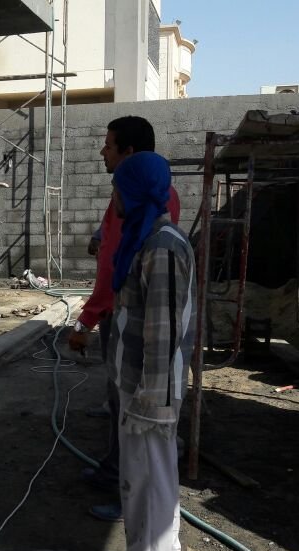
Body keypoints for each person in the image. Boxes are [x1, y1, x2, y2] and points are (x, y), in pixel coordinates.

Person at [67, 116, 180, 520]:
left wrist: (85, 322)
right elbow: (111, 250)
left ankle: (127, 490)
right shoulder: (152, 201)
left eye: (109, 145)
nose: (102, 151)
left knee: (130, 412)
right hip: (129, 324)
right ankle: (118, 474)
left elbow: (115, 272)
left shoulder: (156, 238)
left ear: (129, 154)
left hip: (131, 329)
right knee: (123, 409)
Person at [107, 151, 195, 551]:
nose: (113, 198)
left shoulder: (162, 247)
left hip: (149, 391)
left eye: (118, 190)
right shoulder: (147, 239)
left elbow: (163, 334)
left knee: (147, 480)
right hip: (140, 385)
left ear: (133, 192)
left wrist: (149, 403)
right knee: (151, 475)